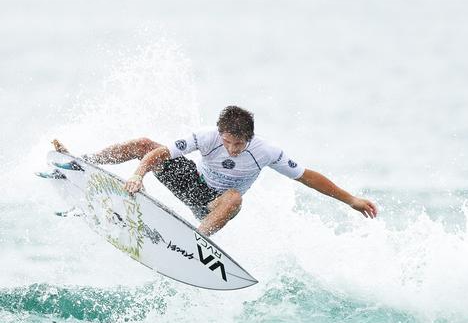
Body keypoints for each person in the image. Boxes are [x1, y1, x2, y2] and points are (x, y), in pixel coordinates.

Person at [53, 106, 378, 236]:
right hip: (194, 183)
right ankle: (82, 159)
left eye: (238, 145)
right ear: (220, 133)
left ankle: (196, 241)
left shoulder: (266, 151)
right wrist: (139, 175)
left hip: (217, 204)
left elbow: (308, 176)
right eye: (227, 142)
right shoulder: (207, 136)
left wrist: (350, 200)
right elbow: (161, 153)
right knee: (144, 143)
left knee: (236, 196)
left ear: (248, 138)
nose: (232, 149)